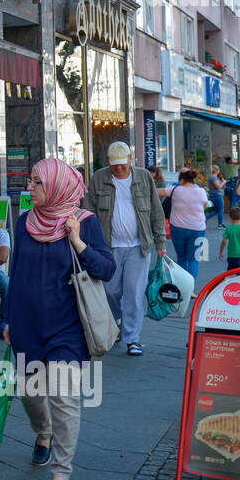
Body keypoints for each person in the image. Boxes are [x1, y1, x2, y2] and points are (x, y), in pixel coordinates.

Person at [2, 159, 116, 480]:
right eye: (31, 181)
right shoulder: (24, 223)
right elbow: (16, 272)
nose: (30, 187)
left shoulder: (84, 222)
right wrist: (6, 319)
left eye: (36, 182)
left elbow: (106, 269)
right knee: (30, 393)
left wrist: (78, 242)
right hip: (27, 324)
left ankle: (61, 472)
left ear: (55, 186)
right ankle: (44, 432)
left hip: (68, 327)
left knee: (65, 399)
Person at [80, 140, 167, 357]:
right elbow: (88, 211)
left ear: (130, 159)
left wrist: (161, 242)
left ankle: (132, 339)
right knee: (110, 291)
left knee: (134, 294)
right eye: (115, 164)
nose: (119, 168)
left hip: (139, 246)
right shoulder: (99, 177)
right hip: (107, 247)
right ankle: (117, 320)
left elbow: (156, 210)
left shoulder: (144, 176)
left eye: (123, 164)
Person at [166, 169, 209, 282]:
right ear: (193, 179)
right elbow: (204, 206)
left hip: (178, 228)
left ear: (181, 179)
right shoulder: (201, 191)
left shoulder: (175, 190)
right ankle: (190, 289)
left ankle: (182, 286)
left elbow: (156, 191)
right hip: (198, 228)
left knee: (181, 258)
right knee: (194, 260)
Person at [206, 164, 227, 228]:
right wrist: (224, 182)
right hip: (217, 195)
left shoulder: (211, 177)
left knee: (216, 210)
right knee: (221, 210)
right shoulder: (214, 178)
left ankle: (205, 219)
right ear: (217, 170)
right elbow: (218, 187)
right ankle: (220, 224)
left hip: (214, 195)